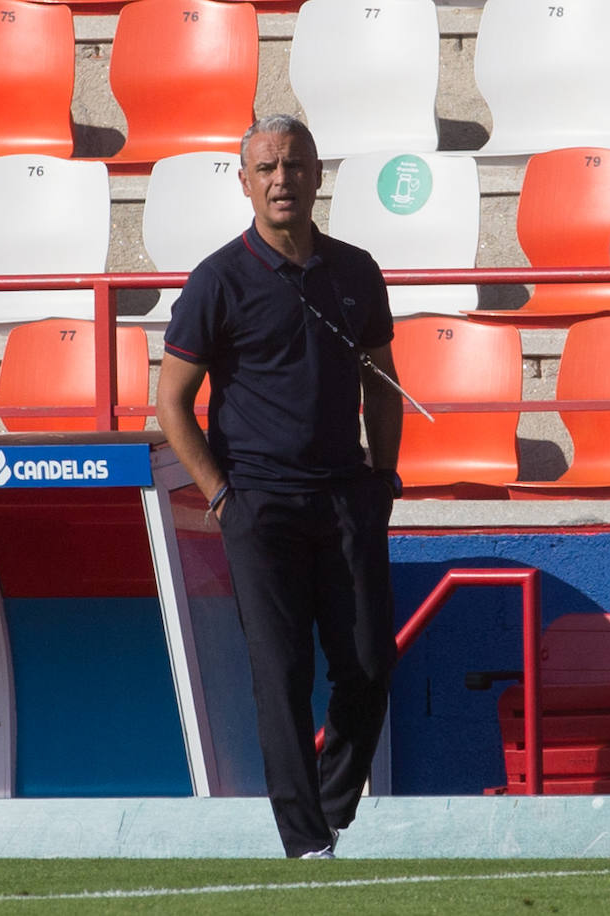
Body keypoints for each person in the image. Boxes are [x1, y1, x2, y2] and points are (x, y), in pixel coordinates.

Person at [156, 114, 404, 860]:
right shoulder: (217, 279)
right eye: (265, 168)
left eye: (293, 166)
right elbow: (172, 402)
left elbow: (383, 381)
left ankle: (329, 808)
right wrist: (222, 493)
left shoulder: (356, 269)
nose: (280, 180)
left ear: (317, 174)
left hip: (346, 498)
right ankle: (305, 843)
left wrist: (383, 476)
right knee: (282, 673)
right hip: (258, 505)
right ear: (244, 183)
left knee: (369, 661)